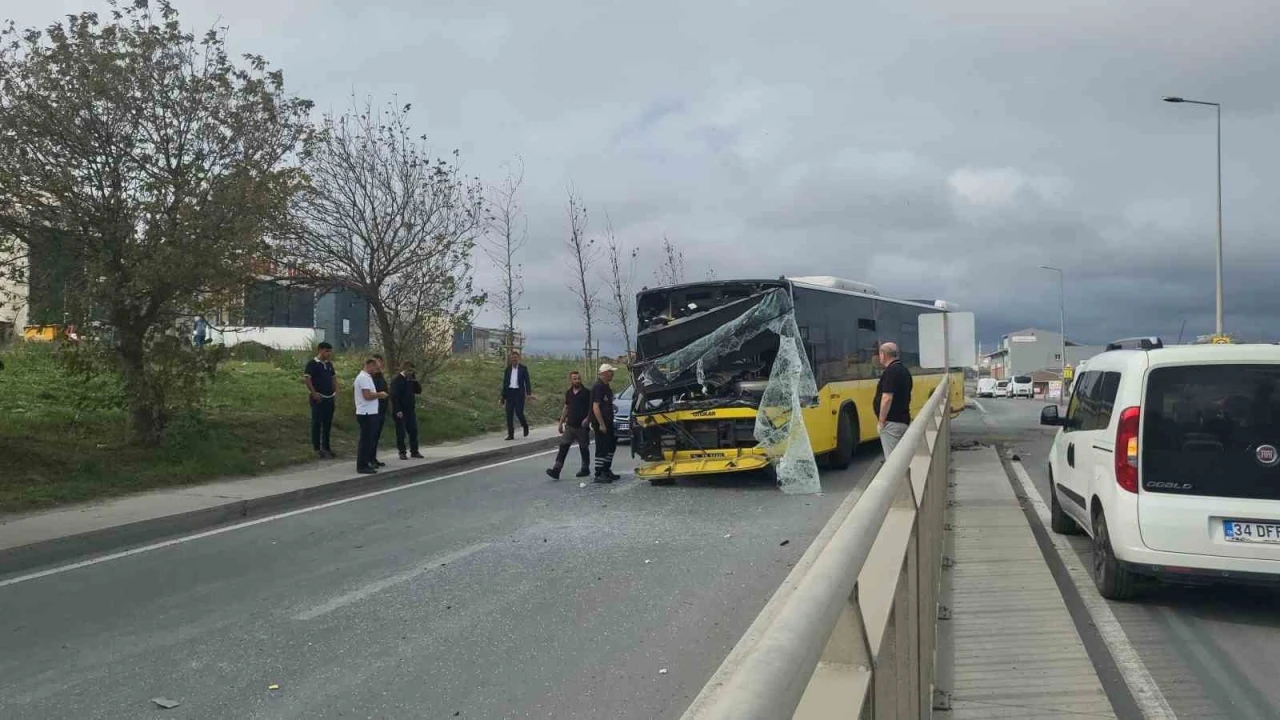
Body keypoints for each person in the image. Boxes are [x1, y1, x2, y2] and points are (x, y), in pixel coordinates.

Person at [546, 370, 592, 480]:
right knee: (563, 447)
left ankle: (585, 468)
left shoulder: (587, 393)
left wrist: (588, 419)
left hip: (582, 427)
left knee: (584, 448)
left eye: (578, 378)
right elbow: (566, 408)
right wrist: (560, 423)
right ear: (571, 380)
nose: (577, 380)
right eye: (575, 379)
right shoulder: (569, 393)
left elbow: (592, 408)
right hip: (570, 426)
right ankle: (556, 470)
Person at [874, 341, 913, 460]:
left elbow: (887, 398)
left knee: (892, 462)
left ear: (883, 355)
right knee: (901, 462)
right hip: (903, 420)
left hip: (891, 424)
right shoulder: (904, 371)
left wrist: (881, 421)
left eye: (880, 354)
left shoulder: (890, 372)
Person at [303, 342, 338, 459]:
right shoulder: (312, 364)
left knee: (328, 423)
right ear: (320, 350)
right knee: (317, 422)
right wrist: (314, 393)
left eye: (330, 351)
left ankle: (327, 447)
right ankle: (317, 448)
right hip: (318, 397)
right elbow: (307, 379)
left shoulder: (329, 364)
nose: (329, 354)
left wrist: (335, 390)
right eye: (327, 351)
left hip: (329, 397)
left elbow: (333, 377)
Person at [354, 358, 388, 474]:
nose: (376, 371)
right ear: (369, 365)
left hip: (371, 412)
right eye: (375, 368)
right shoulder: (363, 378)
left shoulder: (368, 377)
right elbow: (367, 395)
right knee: (365, 440)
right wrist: (380, 394)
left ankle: (367, 462)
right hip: (366, 413)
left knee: (369, 440)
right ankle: (362, 465)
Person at [591, 363, 620, 483]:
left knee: (611, 446)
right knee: (602, 447)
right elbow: (595, 407)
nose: (612, 374)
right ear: (604, 373)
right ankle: (599, 473)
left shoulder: (607, 387)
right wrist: (601, 424)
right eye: (610, 372)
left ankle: (606, 469)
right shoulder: (598, 387)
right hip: (601, 423)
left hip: (608, 421)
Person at [391, 361, 424, 460]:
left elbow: (418, 391)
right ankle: (402, 452)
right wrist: (398, 410)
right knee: (401, 432)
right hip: (400, 410)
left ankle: (414, 451)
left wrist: (414, 380)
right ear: (404, 369)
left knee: (413, 430)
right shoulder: (397, 381)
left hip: (410, 410)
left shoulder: (411, 380)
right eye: (409, 371)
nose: (410, 373)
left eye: (412, 371)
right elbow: (394, 396)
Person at [500, 350, 533, 440]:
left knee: (519, 412)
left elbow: (527, 382)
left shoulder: (523, 369)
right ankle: (511, 434)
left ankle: (525, 425)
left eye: (515, 358)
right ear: (511, 359)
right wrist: (502, 397)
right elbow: (505, 383)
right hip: (510, 393)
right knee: (509, 414)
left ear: (518, 358)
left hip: (519, 393)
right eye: (512, 358)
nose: (514, 359)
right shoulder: (508, 369)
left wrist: (528, 394)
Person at [370, 354, 389, 467]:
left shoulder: (380, 376)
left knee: (376, 436)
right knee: (371, 435)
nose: (377, 364)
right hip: (373, 410)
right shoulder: (370, 377)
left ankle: (373, 457)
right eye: (375, 362)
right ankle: (369, 459)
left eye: (379, 362)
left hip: (381, 409)